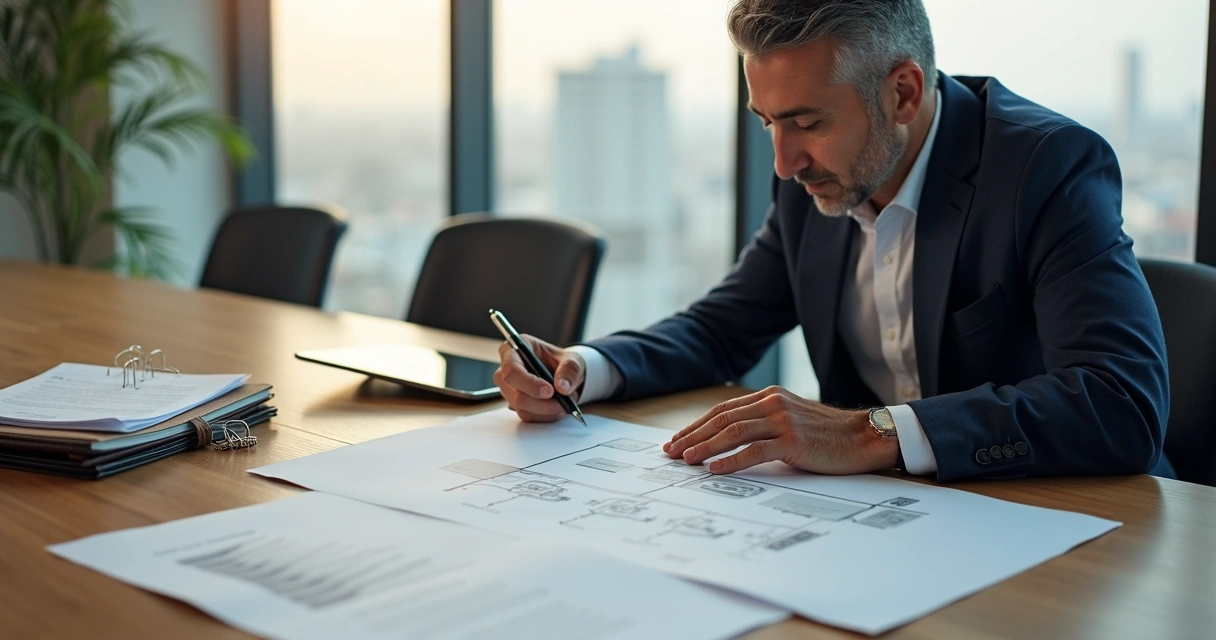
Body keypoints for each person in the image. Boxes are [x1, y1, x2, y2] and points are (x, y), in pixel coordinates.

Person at [492, 0, 1172, 481]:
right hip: (875, 518)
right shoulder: (813, 178)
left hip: (1054, 522)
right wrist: (584, 368)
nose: (785, 163)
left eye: (807, 122)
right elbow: (720, 330)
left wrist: (868, 431)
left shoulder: (1045, 168)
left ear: (903, 93)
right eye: (767, 124)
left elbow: (1120, 404)